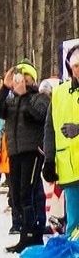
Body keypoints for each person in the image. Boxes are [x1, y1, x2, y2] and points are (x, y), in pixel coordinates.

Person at [0, 61, 55, 251]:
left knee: (28, 193)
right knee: (17, 195)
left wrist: (24, 95)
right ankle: (24, 232)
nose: (21, 81)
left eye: (24, 78)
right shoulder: (12, 99)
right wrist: (4, 87)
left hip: (32, 151)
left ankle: (33, 234)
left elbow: (39, 114)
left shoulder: (39, 97)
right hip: (15, 151)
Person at [53, 40, 79, 232]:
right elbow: (49, 127)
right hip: (69, 166)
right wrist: (48, 159)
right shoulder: (59, 92)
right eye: (76, 66)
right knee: (73, 223)